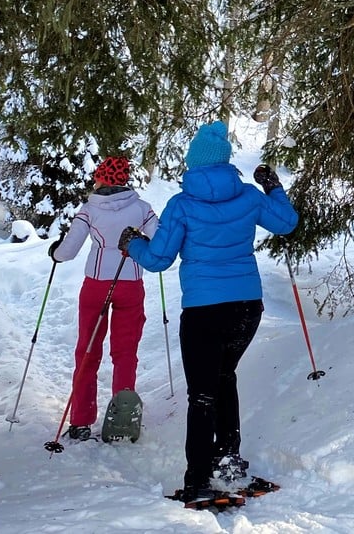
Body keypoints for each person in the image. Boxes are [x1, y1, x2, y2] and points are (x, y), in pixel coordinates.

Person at [121, 121, 298, 509]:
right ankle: (229, 461)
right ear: (226, 162)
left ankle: (199, 480)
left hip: (203, 311)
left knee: (202, 395)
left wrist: (133, 244)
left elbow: (158, 259)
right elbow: (287, 223)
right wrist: (274, 186)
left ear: (192, 165)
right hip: (247, 309)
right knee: (224, 376)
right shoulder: (249, 196)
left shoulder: (182, 205)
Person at [49, 155, 158, 441]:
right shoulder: (142, 208)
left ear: (102, 179)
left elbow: (67, 251)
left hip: (97, 284)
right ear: (124, 180)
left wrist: (55, 253)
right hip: (130, 282)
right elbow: (159, 241)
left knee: (88, 348)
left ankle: (81, 420)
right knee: (125, 351)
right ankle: (123, 414)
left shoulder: (90, 210)